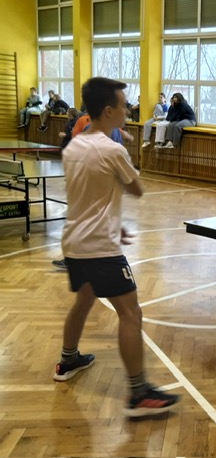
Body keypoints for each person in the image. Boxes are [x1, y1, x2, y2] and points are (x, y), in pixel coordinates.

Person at [54, 76, 179, 418]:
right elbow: (137, 190)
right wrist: (124, 152)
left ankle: (68, 360)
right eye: (124, 106)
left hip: (73, 241)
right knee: (131, 313)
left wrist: (112, 220)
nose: (128, 110)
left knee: (84, 299)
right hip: (100, 247)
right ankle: (139, 394)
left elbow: (87, 195)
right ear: (108, 111)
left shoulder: (73, 146)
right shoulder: (113, 150)